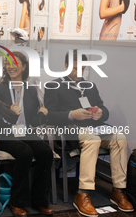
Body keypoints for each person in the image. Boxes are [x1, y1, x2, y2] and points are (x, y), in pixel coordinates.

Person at [44, 50, 134, 216]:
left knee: (120, 138)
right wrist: (72, 115)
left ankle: (118, 189)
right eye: (75, 68)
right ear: (65, 66)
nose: (79, 73)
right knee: (92, 140)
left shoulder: (90, 86)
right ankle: (83, 193)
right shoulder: (54, 86)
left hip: (94, 127)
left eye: (82, 69)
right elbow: (50, 115)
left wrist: (101, 112)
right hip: (70, 130)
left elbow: (103, 108)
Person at [0, 51, 54, 216]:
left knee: (46, 152)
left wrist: (42, 115)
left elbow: (34, 121)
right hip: (4, 134)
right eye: (8, 63)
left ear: (24, 66)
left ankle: (39, 200)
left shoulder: (30, 90)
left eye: (15, 63)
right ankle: (17, 202)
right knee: (25, 152)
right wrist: (7, 117)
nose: (11, 66)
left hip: (25, 132)